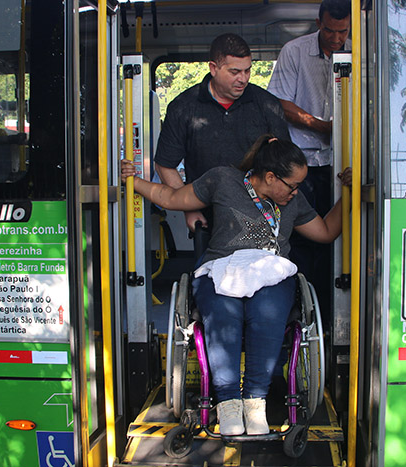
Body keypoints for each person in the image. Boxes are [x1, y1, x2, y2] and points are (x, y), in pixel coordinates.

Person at [122, 135, 350, 436]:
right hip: (221, 267)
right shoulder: (223, 180)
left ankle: (255, 401)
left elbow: (325, 232)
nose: (296, 192)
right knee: (224, 314)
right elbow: (171, 198)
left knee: (266, 311)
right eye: (292, 185)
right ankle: (228, 402)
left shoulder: (293, 202)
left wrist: (349, 192)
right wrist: (134, 181)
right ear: (270, 177)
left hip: (272, 270)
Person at [267, 0, 351, 335]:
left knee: (342, 243)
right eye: (329, 30)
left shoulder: (361, 50)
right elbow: (280, 103)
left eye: (342, 32)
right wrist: (320, 126)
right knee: (301, 242)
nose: (335, 38)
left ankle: (334, 321)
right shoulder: (294, 51)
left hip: (342, 164)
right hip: (303, 165)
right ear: (319, 22)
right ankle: (300, 318)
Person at [153, 33, 291, 232]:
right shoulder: (183, 107)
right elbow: (165, 164)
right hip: (208, 216)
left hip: (261, 214)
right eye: (235, 72)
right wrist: (188, 209)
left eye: (247, 71)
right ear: (213, 68)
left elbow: (285, 163)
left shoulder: (267, 104)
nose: (243, 79)